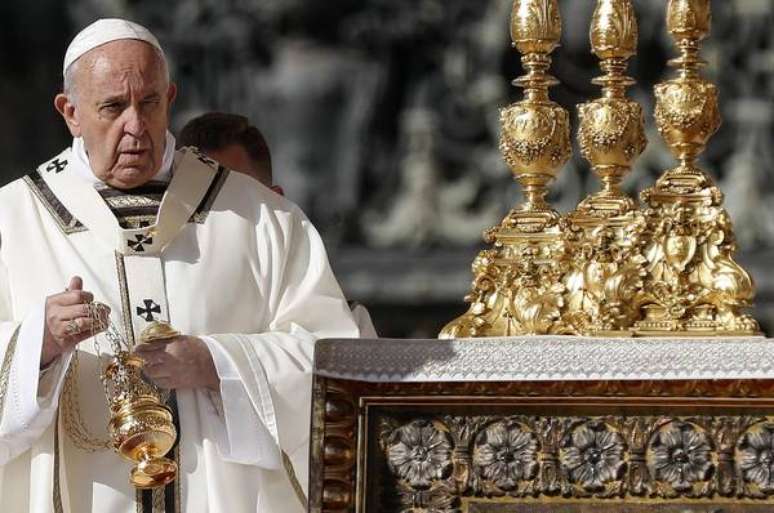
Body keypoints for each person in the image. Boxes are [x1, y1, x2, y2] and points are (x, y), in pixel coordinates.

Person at [0, 18, 360, 513]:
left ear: (170, 96)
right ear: (71, 113)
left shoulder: (259, 218)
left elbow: (336, 360)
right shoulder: (13, 221)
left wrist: (219, 363)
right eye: (112, 106)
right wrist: (35, 345)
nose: (135, 125)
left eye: (149, 103)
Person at [178, 112, 378, 339]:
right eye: (199, 202)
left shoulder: (344, 330)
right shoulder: (155, 302)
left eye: (235, 197)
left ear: (276, 204)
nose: (216, 218)